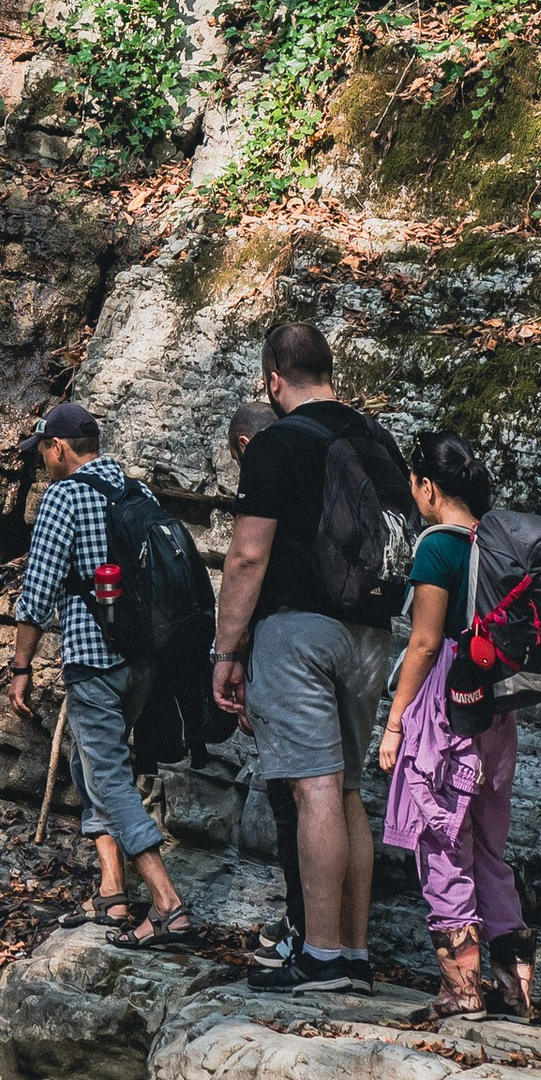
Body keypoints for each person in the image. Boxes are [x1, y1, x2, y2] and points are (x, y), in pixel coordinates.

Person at [211, 317, 414, 992]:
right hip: (373, 634)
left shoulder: (276, 443)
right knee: (349, 788)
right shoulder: (376, 438)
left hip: (298, 631)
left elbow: (246, 557)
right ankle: (353, 953)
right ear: (329, 369)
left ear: (274, 378)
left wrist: (227, 649)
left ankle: (320, 955)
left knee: (314, 787)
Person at [6, 401, 198, 949]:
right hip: (144, 660)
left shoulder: (64, 496)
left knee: (107, 774)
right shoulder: (137, 492)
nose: (41, 461)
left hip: (94, 658)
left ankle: (167, 903)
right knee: (89, 760)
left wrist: (21, 666)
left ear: (60, 447)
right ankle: (113, 891)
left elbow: (38, 590)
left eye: (42, 450)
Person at [380, 429, 534, 1022]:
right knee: (490, 850)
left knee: (443, 842)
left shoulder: (438, 546)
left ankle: (461, 992)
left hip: (448, 709)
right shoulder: (499, 544)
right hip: (498, 711)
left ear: (428, 486)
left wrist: (394, 724)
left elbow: (423, 642)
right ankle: (515, 993)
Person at [227, 398, 307, 964]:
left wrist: (228, 656)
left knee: (292, 800)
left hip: (284, 659)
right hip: (342, 646)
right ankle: (316, 928)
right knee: (327, 796)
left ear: (248, 446)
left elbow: (248, 567)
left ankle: (303, 927)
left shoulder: (270, 480)